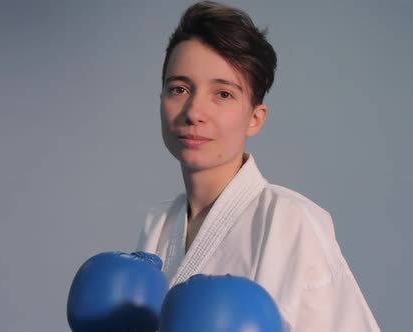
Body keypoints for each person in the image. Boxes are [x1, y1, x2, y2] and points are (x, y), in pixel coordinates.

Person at [136, 1, 380, 331]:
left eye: (222, 94)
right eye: (179, 89)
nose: (194, 111)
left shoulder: (291, 222)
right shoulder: (159, 223)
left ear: (254, 118)